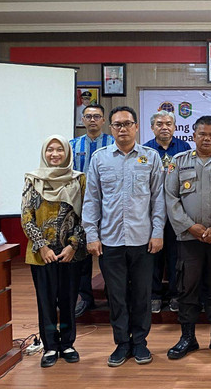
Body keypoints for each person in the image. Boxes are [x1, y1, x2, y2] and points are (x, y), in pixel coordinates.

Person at [82, 106, 165, 367]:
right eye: (117, 124)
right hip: (110, 241)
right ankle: (121, 344)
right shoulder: (99, 158)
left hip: (143, 240)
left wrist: (158, 232)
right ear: (111, 128)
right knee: (116, 296)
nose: (122, 129)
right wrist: (91, 235)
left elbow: (158, 199)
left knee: (142, 295)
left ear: (137, 126)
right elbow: (92, 199)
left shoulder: (151, 157)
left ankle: (140, 342)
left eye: (127, 124)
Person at [164, 115, 211, 360]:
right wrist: (189, 226)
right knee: (187, 287)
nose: (207, 138)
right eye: (202, 134)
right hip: (189, 239)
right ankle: (188, 337)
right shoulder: (178, 162)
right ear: (193, 136)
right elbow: (171, 198)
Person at [21, 135, 87, 368]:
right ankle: (50, 346)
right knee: (46, 302)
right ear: (44, 153)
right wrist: (43, 246)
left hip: (71, 253)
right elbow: (26, 216)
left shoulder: (78, 180)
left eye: (60, 150)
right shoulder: (33, 179)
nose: (55, 154)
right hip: (42, 254)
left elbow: (85, 216)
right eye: (50, 150)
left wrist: (73, 244)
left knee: (69, 301)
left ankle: (67, 344)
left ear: (67, 153)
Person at [143, 110, 191, 314]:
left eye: (168, 123)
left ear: (175, 127)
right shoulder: (144, 150)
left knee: (175, 255)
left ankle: (175, 294)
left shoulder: (184, 147)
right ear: (152, 127)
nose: (164, 127)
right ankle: (154, 294)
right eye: (160, 124)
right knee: (153, 254)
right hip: (151, 211)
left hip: (176, 210)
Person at [70, 103, 114, 318]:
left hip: (109, 208)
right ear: (83, 120)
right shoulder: (72, 145)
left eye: (97, 116)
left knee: (109, 253)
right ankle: (85, 297)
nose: (93, 120)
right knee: (83, 253)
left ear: (104, 120)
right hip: (80, 207)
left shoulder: (113, 143)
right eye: (88, 116)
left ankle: (112, 295)